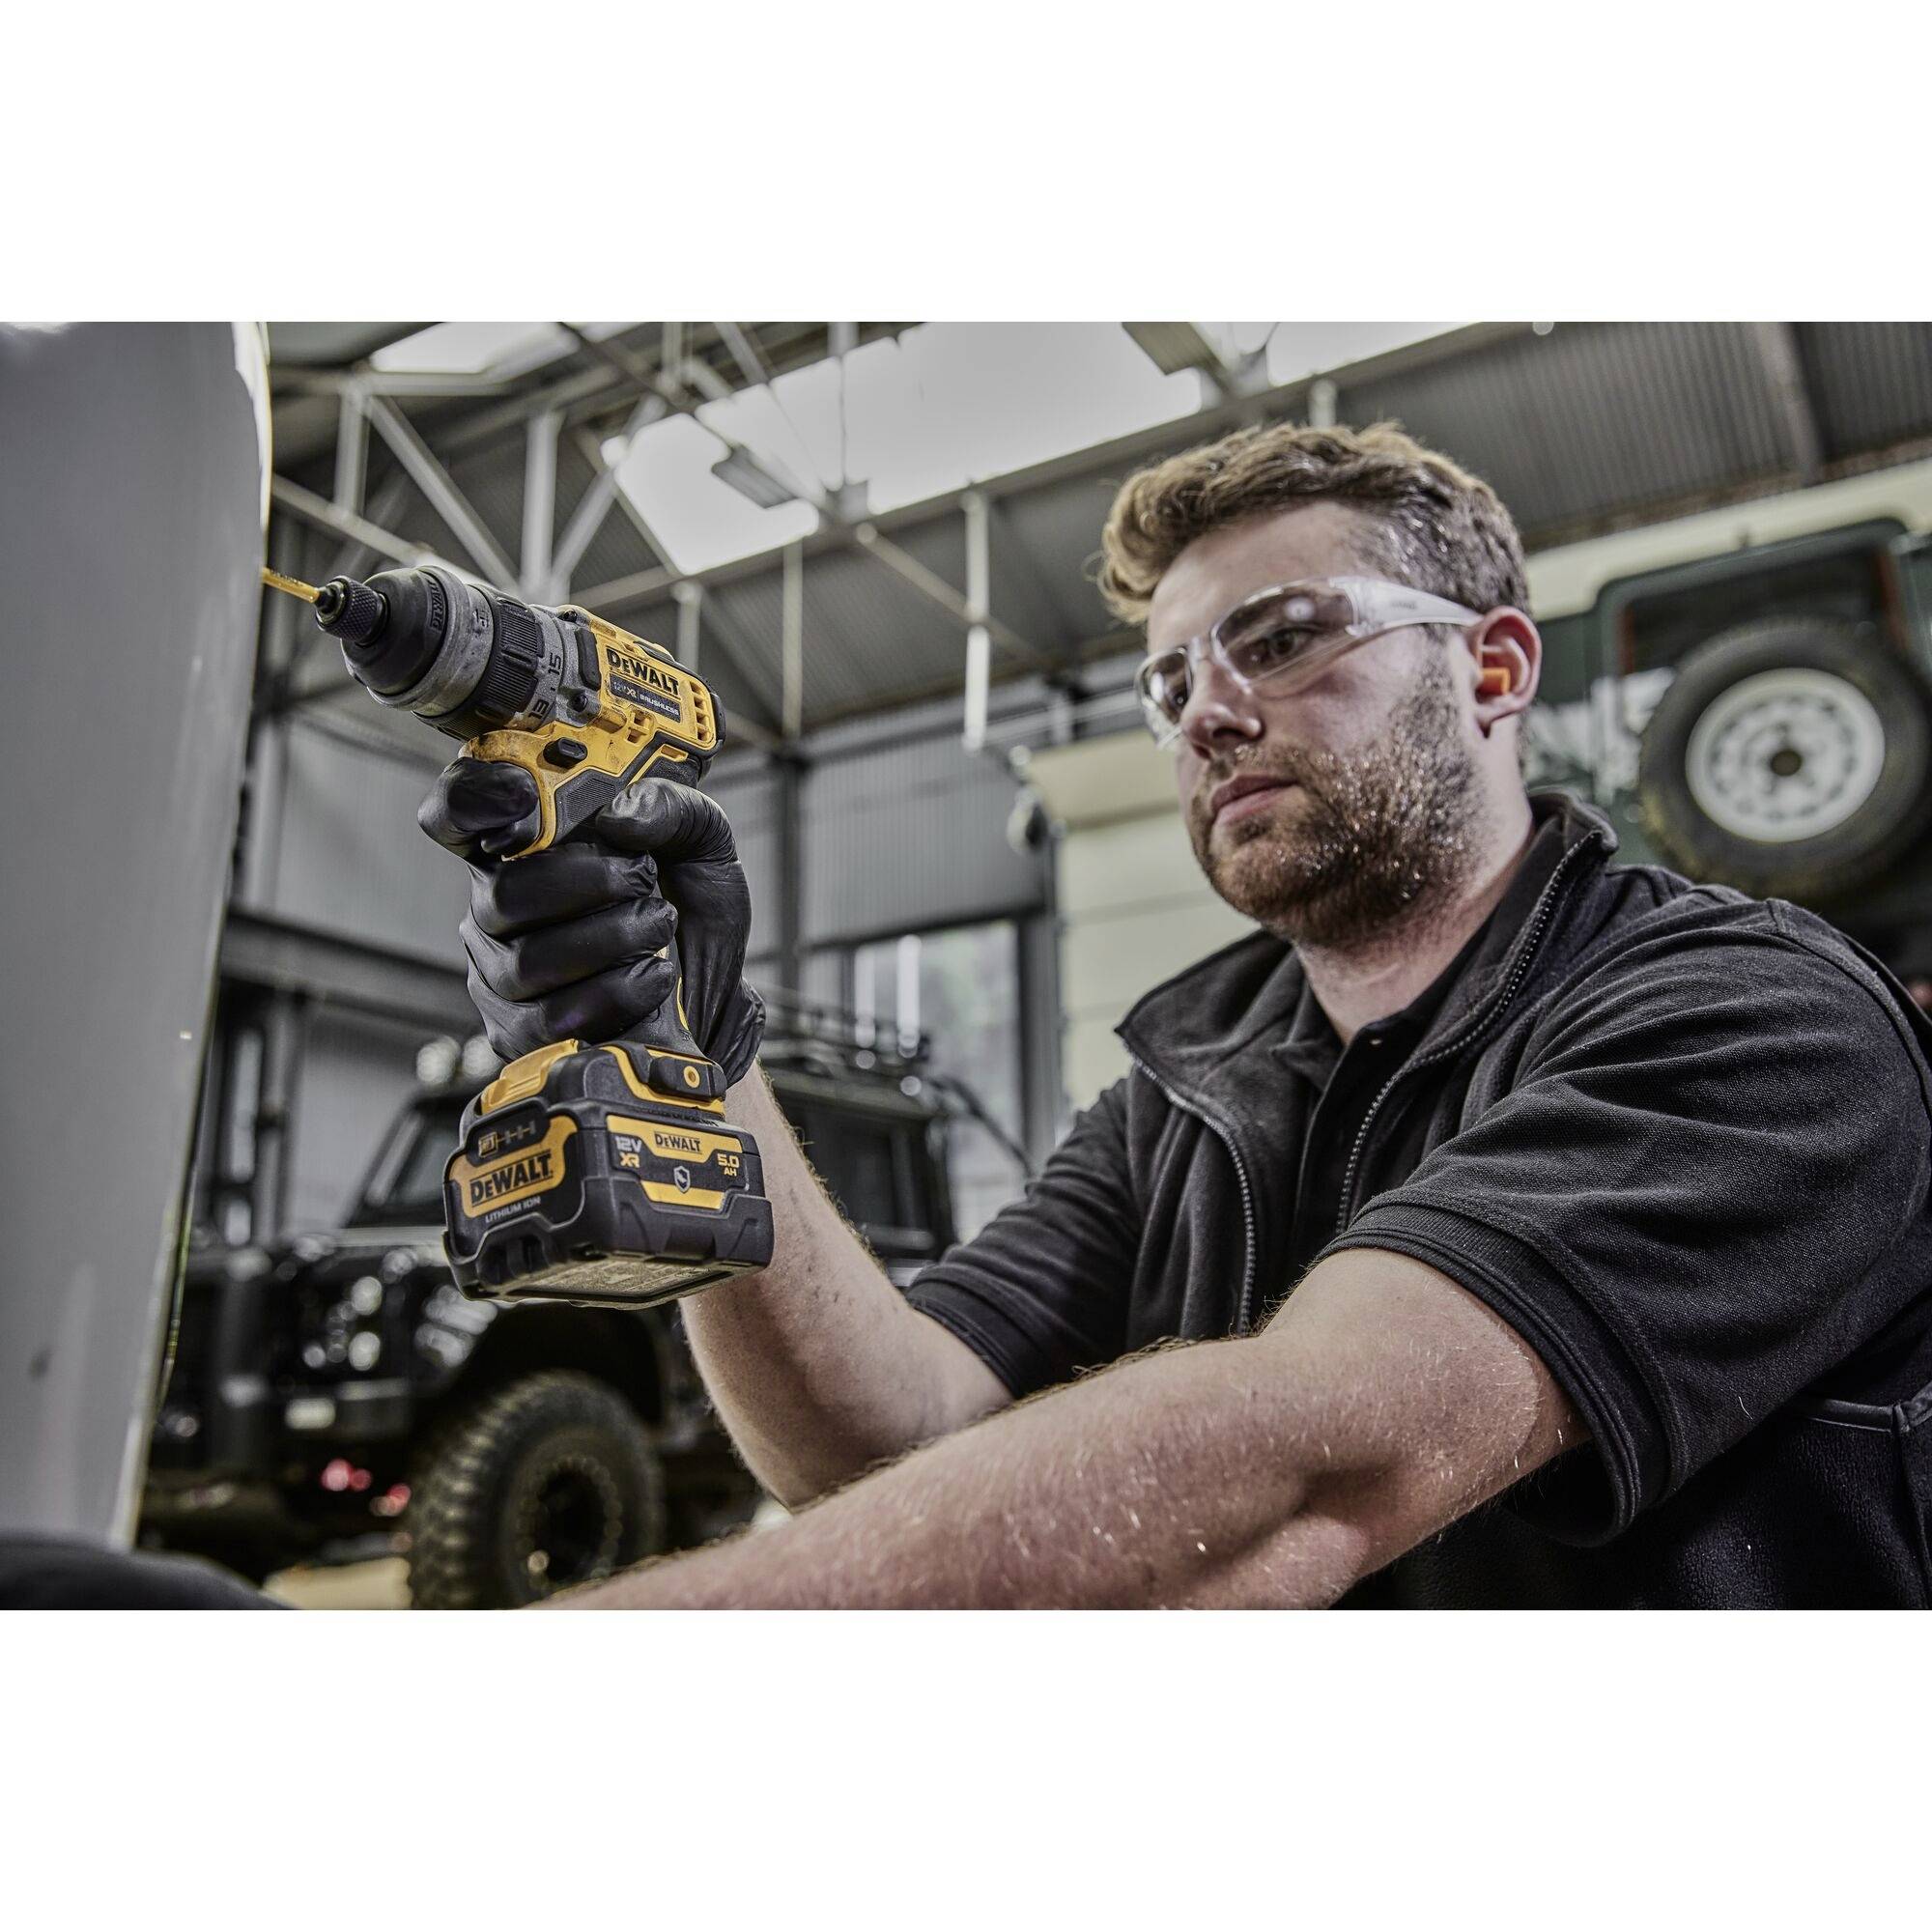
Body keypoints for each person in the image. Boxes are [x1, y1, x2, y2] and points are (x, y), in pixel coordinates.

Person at [421, 421, 1932, 1608]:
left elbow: (1309, 1462)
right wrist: (694, 1064)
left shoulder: (1750, 1019)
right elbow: (884, 1445)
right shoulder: (1180, 1091)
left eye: (1281, 639)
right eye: (1170, 679)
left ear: (1491, 666)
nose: (1206, 711)